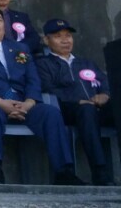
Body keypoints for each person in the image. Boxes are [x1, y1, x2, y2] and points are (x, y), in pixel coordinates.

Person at [0, 6, 84, 185]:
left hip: (23, 104)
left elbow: (33, 80)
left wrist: (29, 103)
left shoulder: (19, 48)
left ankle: (64, 172)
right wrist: (2, 103)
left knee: (51, 113)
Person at [37, 19, 115, 186]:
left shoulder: (85, 63)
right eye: (58, 36)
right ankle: (100, 172)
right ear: (46, 40)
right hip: (68, 109)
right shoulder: (44, 64)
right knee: (87, 110)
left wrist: (105, 95)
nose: (65, 40)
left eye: (68, 36)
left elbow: (105, 82)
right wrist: (77, 100)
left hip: (97, 107)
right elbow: (47, 89)